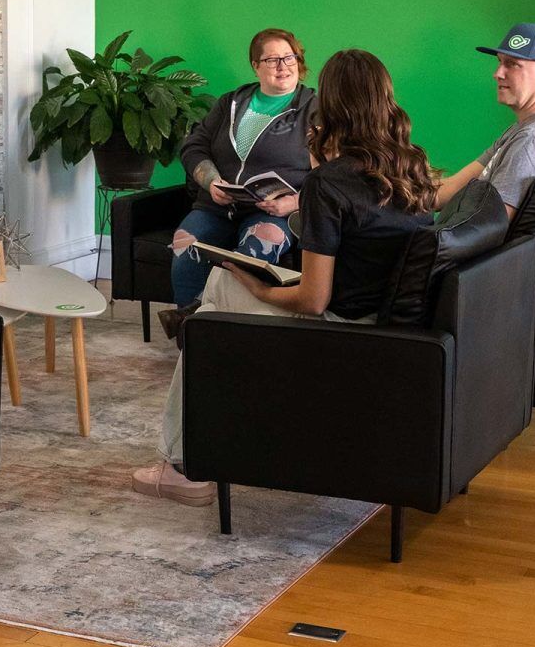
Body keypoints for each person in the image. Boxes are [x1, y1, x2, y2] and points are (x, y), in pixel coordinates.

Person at [133, 48, 438, 505]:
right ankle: (207, 364)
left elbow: (313, 300)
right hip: (381, 312)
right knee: (226, 282)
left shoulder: (329, 182)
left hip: (341, 326)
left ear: (331, 106)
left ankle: (181, 464)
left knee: (217, 295)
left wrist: (259, 287)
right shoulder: (409, 164)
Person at [162, 28, 318, 334]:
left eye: (289, 57)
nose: (283, 66)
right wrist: (211, 181)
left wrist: (293, 202)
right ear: (255, 65)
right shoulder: (231, 102)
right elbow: (194, 146)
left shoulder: (315, 109)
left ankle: (223, 332)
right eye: (272, 59)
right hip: (217, 206)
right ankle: (191, 339)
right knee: (184, 245)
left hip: (276, 211)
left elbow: (331, 173)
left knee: (254, 253)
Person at [436, 23, 535, 217]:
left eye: (512, 64)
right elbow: (451, 188)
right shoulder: (526, 127)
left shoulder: (533, 140)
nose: (497, 74)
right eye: (500, 62)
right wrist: (392, 191)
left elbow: (486, 229)